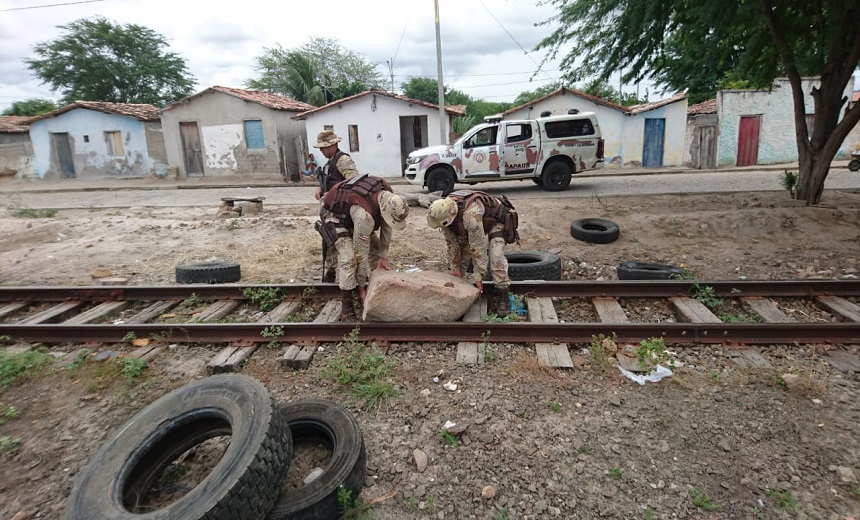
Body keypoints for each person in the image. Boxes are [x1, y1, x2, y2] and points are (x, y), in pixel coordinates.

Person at [318, 174, 409, 320]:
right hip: (333, 214)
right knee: (350, 259)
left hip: (350, 212)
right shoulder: (364, 217)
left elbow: (387, 225)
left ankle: (369, 287)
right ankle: (347, 307)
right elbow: (361, 254)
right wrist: (361, 287)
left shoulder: (387, 193)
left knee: (374, 251)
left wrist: (383, 257)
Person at [426, 190, 519, 317]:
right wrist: (455, 270)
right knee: (461, 259)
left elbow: (478, 247)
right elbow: (452, 246)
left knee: (495, 256)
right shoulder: (444, 215)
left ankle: (503, 293)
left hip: (495, 220)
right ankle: (460, 292)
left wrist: (478, 277)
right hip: (470, 223)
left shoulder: (470, 216)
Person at [312, 130, 361, 282]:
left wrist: (332, 194)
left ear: (333, 145)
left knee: (351, 245)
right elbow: (329, 181)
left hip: (341, 211)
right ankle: (331, 271)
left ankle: (359, 278)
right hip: (330, 211)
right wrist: (321, 189)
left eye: (323, 147)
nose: (320, 150)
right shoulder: (329, 163)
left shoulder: (343, 160)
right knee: (329, 241)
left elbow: (354, 183)